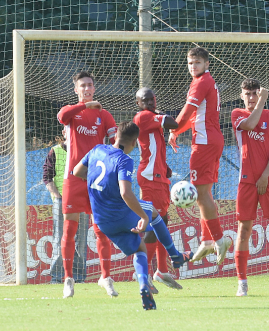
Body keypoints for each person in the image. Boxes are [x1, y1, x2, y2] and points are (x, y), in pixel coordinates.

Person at [73, 120, 191, 310]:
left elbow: (77, 171)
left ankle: (144, 285)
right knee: (152, 211)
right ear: (134, 142)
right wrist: (143, 218)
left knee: (139, 249)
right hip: (119, 212)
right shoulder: (124, 159)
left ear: (116, 136)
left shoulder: (96, 150)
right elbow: (125, 193)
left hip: (102, 220)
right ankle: (175, 255)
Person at [56, 71, 118, 297]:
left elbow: (116, 143)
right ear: (76, 89)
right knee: (70, 229)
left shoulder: (105, 115)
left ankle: (105, 277)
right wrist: (85, 105)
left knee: (101, 230)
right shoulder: (72, 112)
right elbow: (62, 117)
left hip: (96, 180)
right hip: (73, 178)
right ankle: (68, 279)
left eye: (90, 85)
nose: (87, 88)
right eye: (82, 85)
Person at [169, 47, 232, 265]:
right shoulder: (206, 82)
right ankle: (206, 240)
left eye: (197, 62)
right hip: (212, 140)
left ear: (207, 64)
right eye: (190, 63)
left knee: (201, 194)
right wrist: (176, 131)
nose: (193, 66)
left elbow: (187, 111)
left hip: (204, 144)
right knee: (205, 193)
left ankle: (218, 238)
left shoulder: (201, 82)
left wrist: (172, 128)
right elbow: (193, 116)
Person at [230, 79, 269, 296]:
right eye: (247, 93)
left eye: (255, 93)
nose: (251, 97)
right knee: (244, 230)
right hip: (246, 181)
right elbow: (249, 125)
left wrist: (265, 175)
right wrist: (263, 101)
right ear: (241, 95)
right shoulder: (237, 113)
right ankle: (242, 283)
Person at [132, 87, 184, 293]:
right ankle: (143, 275)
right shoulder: (143, 116)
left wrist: (165, 166)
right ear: (139, 103)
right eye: (145, 100)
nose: (150, 102)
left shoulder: (152, 120)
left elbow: (154, 148)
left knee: (163, 222)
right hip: (149, 178)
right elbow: (173, 122)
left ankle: (162, 270)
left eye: (152, 99)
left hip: (158, 176)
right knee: (152, 226)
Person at [43, 128, 88, 284]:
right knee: (59, 239)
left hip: (82, 201)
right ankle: (56, 278)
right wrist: (58, 196)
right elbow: (47, 177)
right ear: (64, 133)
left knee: (81, 242)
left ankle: (80, 279)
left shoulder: (85, 151)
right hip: (62, 202)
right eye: (70, 131)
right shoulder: (54, 151)